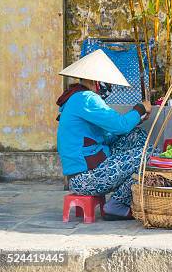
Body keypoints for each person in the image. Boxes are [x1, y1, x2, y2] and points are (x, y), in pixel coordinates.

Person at [56, 49, 157, 221]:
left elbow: (109, 136)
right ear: (95, 81)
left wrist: (136, 119)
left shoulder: (77, 98)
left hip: (85, 173)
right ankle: (117, 204)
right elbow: (119, 125)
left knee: (136, 135)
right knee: (149, 155)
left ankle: (124, 198)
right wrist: (140, 108)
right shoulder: (87, 99)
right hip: (87, 178)